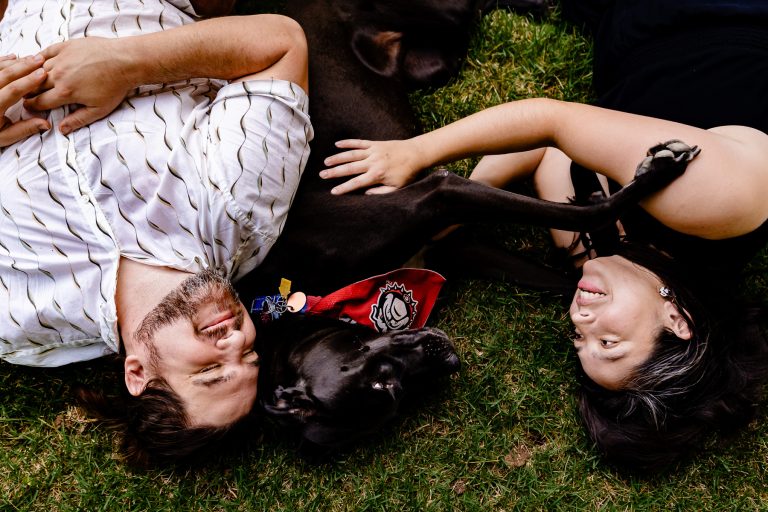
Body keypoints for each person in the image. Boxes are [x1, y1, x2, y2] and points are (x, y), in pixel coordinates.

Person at [318, 1, 768, 471]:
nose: (581, 318)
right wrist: (415, 153)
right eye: (609, 341)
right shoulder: (721, 205)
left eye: (579, 339)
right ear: (678, 321)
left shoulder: (595, 253)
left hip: (627, 35)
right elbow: (550, 121)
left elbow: (541, 153)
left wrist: (457, 211)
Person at [0, 0, 312, 466]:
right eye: (249, 357)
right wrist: (128, 62)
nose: (235, 341)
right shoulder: (236, 211)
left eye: (209, 371)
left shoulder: (21, 322)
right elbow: (281, 45)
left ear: (138, 373)